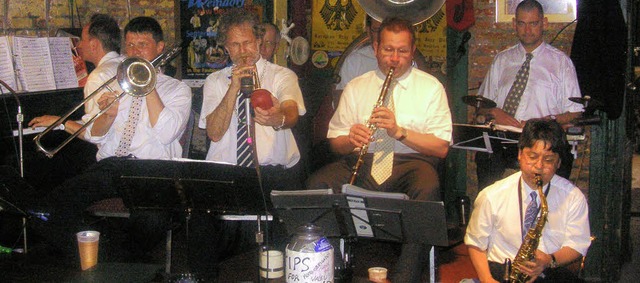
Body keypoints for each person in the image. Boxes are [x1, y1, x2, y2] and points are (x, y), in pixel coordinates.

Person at [6, 16, 192, 263]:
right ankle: (111, 257)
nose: (134, 52)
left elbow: (167, 133)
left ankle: (112, 258)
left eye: (142, 45)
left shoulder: (178, 90)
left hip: (151, 170)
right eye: (130, 45)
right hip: (111, 165)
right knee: (52, 207)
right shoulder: (114, 83)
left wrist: (148, 85)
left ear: (159, 48)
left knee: (151, 220)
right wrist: (107, 116)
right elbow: (95, 135)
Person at [306, 17, 452, 282]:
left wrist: (399, 132)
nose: (394, 58)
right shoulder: (356, 86)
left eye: (402, 51)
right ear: (375, 47)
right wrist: (351, 138)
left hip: (411, 163)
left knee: (427, 186)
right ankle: (334, 271)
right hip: (362, 162)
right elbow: (335, 143)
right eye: (388, 50)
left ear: (413, 50)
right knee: (318, 184)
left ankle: (404, 277)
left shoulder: (431, 88)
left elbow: (441, 147)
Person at [194, 7, 306, 279]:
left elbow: (291, 111)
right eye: (234, 44)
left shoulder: (281, 75)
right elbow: (214, 133)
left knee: (283, 224)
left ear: (258, 42)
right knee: (198, 219)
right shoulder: (214, 81)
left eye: (247, 42)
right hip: (227, 172)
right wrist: (233, 88)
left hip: (271, 171)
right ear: (226, 48)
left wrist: (277, 117)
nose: (242, 50)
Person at [464, 118, 591, 282]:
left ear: (558, 163)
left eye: (548, 160)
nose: (539, 166)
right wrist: (487, 279)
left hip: (550, 269)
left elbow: (577, 244)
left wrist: (549, 260)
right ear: (519, 155)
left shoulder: (573, 197)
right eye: (532, 156)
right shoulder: (492, 195)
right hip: (502, 271)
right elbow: (475, 243)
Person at [475, 0, 582, 190]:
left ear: (544, 23)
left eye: (533, 23)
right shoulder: (502, 60)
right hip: (504, 136)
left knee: (557, 155)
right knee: (486, 155)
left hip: (543, 136)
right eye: (522, 24)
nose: (527, 30)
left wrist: (546, 121)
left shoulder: (561, 63)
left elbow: (575, 112)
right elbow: (482, 103)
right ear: (515, 24)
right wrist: (494, 112)